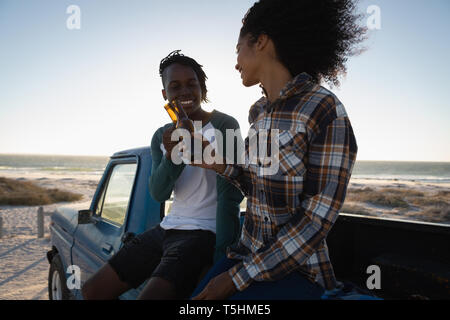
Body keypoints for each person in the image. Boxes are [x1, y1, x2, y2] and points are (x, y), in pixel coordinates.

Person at [191, 0, 366, 300]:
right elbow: (257, 186)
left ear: (260, 42)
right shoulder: (258, 113)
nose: (235, 62)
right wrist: (219, 164)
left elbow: (314, 222)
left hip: (297, 271)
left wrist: (236, 279)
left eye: (238, 50)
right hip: (246, 253)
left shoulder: (324, 110)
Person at [81, 51, 243, 300]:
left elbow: (230, 195)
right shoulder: (161, 135)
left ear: (203, 88)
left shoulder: (224, 125)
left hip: (203, 233)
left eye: (192, 84)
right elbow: (158, 192)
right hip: (167, 228)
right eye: (175, 86)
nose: (185, 92)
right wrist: (173, 155)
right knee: (92, 291)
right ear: (165, 94)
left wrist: (222, 259)